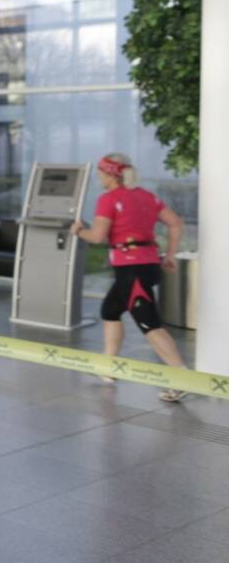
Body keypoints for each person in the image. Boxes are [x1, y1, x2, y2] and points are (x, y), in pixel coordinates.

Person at [70, 152, 189, 402]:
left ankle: (181, 378)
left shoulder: (109, 199)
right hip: (147, 265)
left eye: (101, 173)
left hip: (131, 270)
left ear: (112, 175)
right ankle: (109, 367)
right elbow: (176, 223)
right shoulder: (147, 196)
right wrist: (169, 255)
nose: (98, 177)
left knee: (150, 325)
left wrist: (79, 230)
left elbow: (98, 237)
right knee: (110, 311)